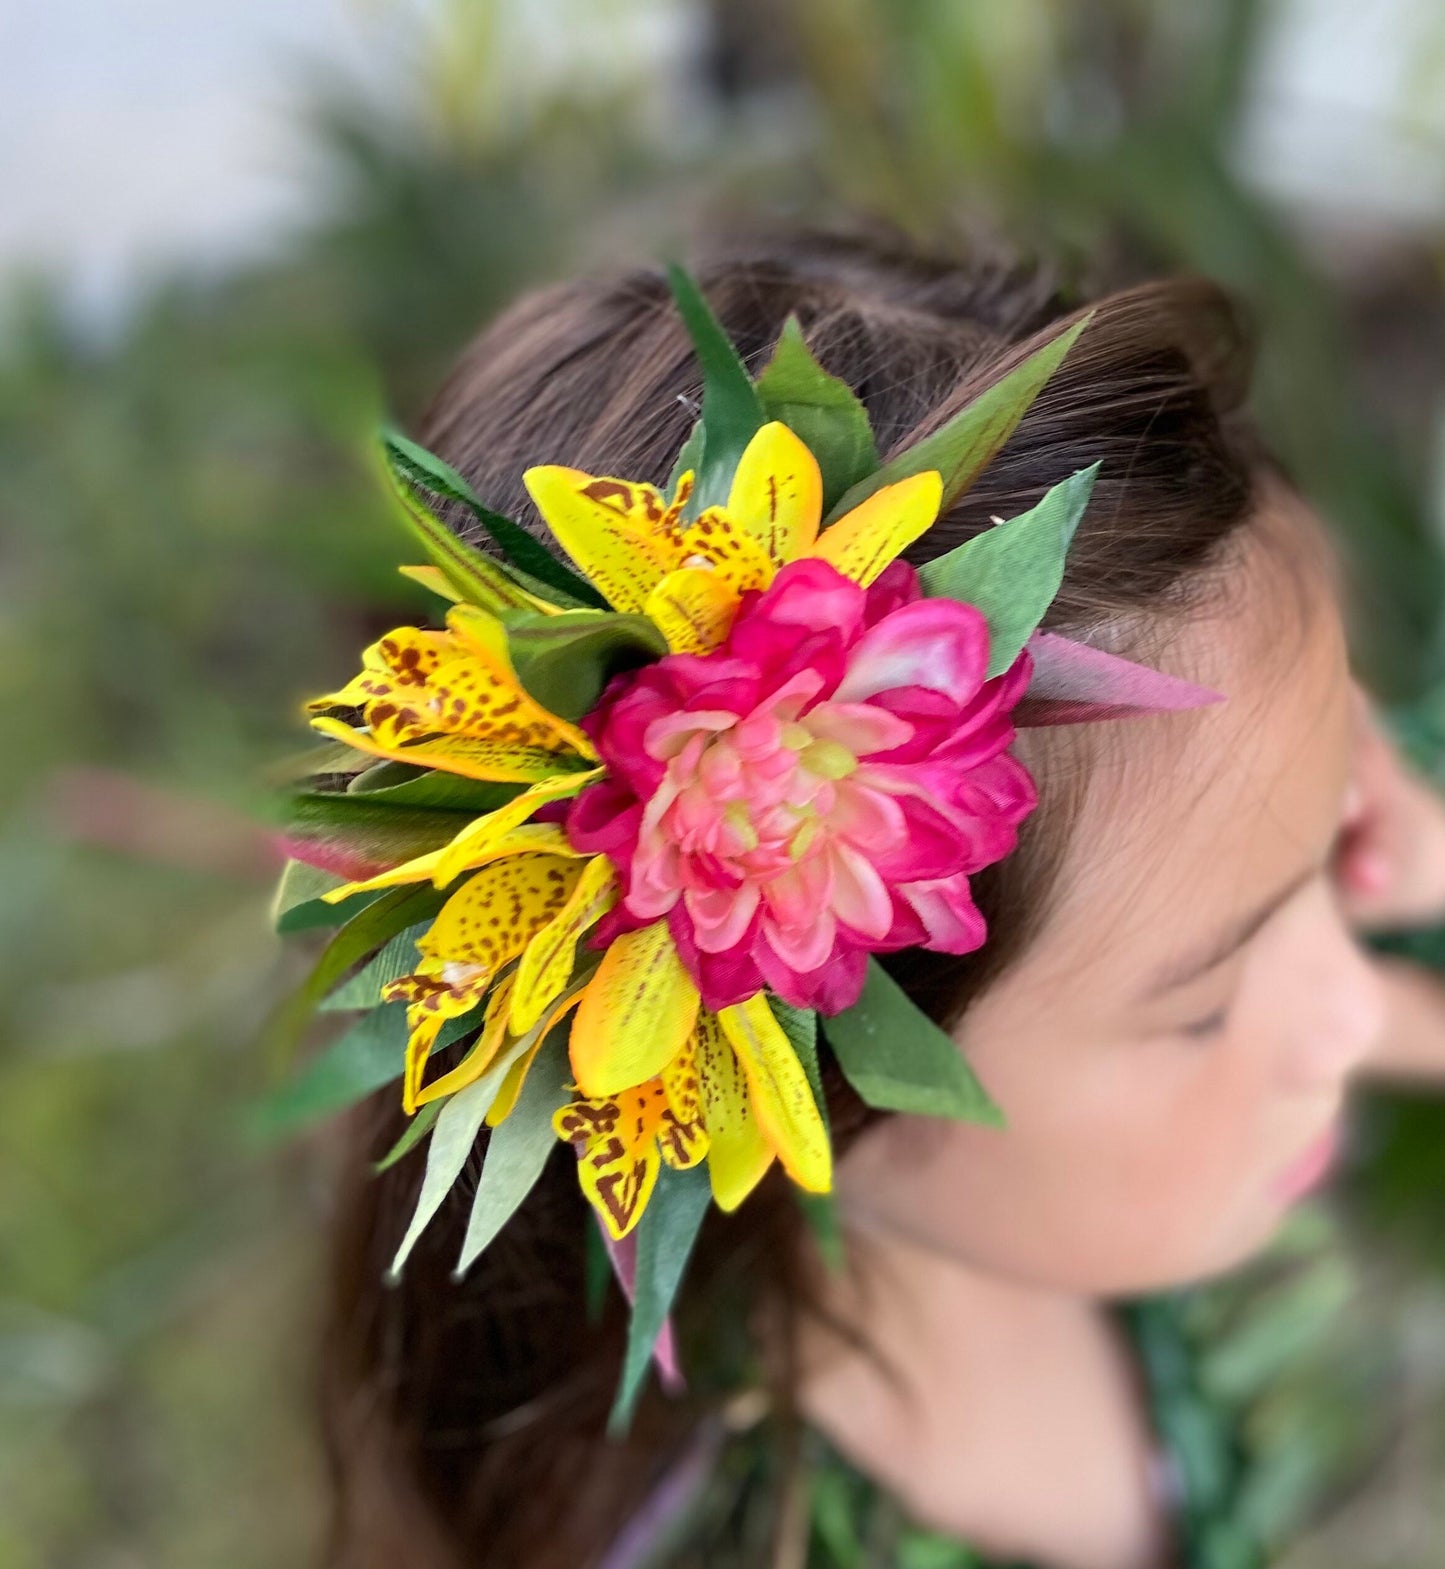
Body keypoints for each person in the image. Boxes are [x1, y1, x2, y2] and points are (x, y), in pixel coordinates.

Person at [316, 226, 1445, 1569]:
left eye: (1336, 836)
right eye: (1204, 1008)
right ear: (813, 1102)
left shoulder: (1145, 1142)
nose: (1349, 1007)